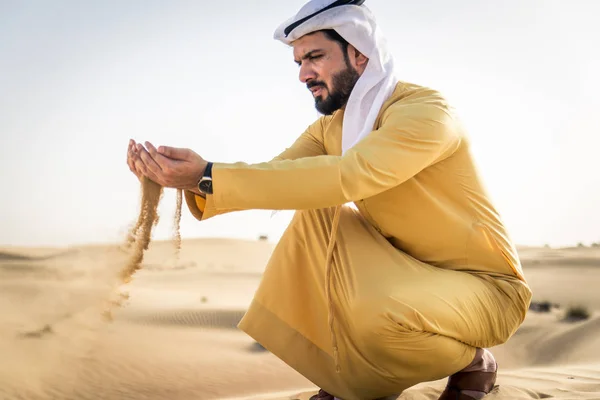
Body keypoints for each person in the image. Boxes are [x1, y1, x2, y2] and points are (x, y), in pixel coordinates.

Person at [126, 1, 532, 399]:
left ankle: (473, 361)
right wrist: (185, 177)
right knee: (312, 207)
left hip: (485, 289)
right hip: (406, 272)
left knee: (378, 316)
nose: (304, 74)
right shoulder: (329, 128)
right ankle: (344, 381)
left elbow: (351, 175)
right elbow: (278, 174)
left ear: (358, 53)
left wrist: (208, 174)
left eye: (315, 57)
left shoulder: (425, 112)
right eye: (299, 62)